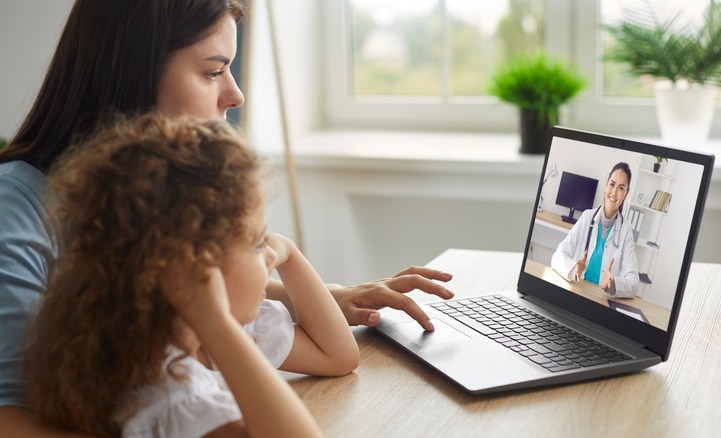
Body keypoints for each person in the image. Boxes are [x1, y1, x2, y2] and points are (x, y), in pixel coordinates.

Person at [0, 0, 453, 435]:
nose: (235, 95)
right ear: (131, 72)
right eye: (213, 71)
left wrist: (313, 295)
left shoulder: (158, 226)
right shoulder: (13, 211)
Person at [25, 113, 356, 436]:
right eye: (257, 244)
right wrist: (217, 324)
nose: (271, 254)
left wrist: (291, 255)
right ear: (194, 268)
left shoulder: (225, 336)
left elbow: (339, 357)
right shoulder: (172, 396)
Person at [551, 162, 639, 298]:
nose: (614, 192)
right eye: (612, 184)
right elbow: (557, 256)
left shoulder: (626, 230)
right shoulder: (587, 217)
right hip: (577, 292)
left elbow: (633, 282)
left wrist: (614, 283)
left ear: (626, 194)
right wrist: (574, 268)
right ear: (606, 185)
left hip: (601, 299)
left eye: (621, 188)